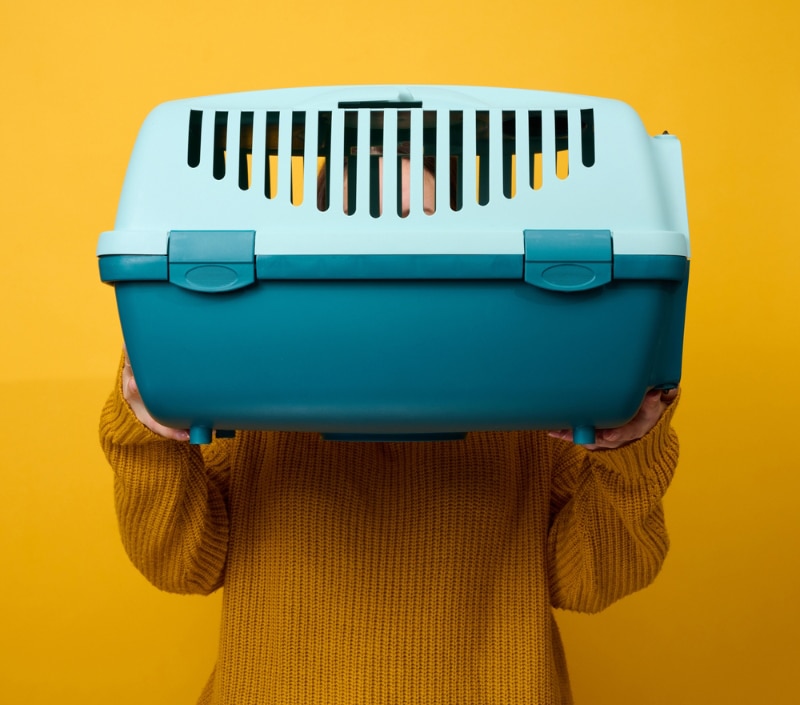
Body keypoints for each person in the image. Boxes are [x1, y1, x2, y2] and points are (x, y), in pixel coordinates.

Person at [99, 155, 681, 705]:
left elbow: (591, 584)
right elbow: (178, 566)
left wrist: (628, 449)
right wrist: (151, 433)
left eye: (419, 224)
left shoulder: (535, 399)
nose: (392, 250)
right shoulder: (249, 395)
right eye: (365, 222)